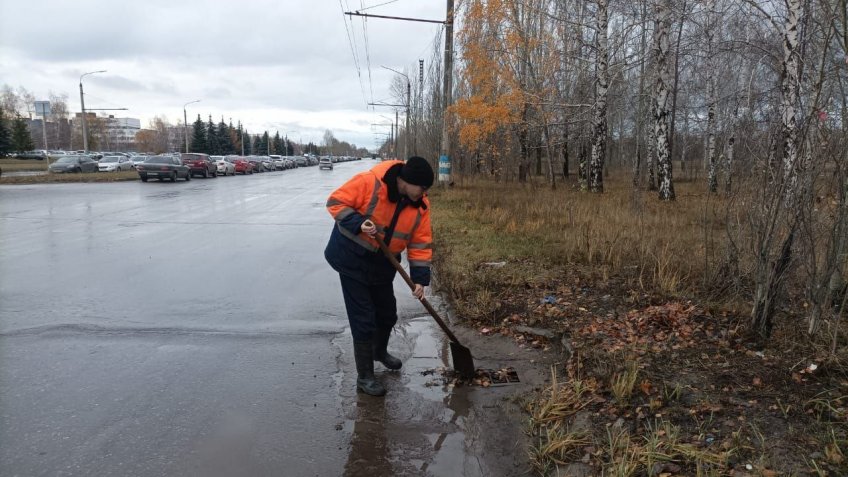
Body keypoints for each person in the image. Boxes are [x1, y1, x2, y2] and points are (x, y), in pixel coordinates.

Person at [324, 157, 434, 396]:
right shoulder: (370, 182)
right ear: (408, 181)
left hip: (384, 263)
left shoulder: (421, 205)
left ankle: (378, 352)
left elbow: (420, 242)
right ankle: (364, 378)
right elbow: (335, 201)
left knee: (387, 313)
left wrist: (420, 279)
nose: (424, 194)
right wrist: (358, 222)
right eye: (422, 188)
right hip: (352, 258)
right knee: (363, 317)